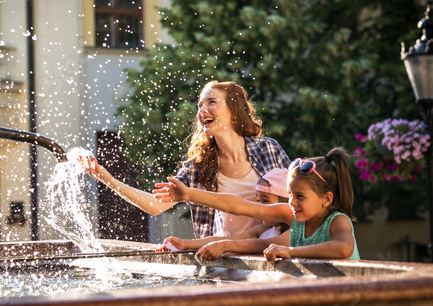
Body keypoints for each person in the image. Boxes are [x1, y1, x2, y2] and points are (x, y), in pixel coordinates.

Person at [78, 80, 290, 238]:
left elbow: (297, 199)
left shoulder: (268, 149)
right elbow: (155, 206)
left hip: (269, 253)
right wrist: (109, 180)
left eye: (212, 102)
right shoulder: (199, 165)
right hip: (224, 259)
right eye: (199, 105)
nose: (202, 110)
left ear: (233, 110)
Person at [154, 147, 360, 262]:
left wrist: (290, 251)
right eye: (289, 194)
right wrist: (188, 194)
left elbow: (343, 248)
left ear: (327, 199)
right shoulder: (291, 215)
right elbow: (240, 205)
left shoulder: (337, 221)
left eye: (300, 196)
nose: (293, 202)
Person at [156, 168, 291, 261]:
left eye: (265, 201)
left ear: (285, 202)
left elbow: (263, 244)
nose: (260, 206)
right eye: (258, 200)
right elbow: (236, 238)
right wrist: (185, 244)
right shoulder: (265, 229)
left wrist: (224, 246)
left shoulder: (295, 228)